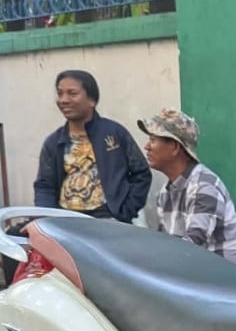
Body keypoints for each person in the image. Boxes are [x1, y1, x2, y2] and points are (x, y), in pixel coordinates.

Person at [33, 70, 150, 223]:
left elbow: (141, 173)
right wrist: (48, 220)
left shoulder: (114, 134)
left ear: (92, 100)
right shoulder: (54, 142)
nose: (64, 100)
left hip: (109, 220)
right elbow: (44, 186)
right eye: (60, 93)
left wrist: (126, 211)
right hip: (67, 222)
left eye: (72, 93)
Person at [140, 108, 236, 265]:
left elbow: (191, 249)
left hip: (216, 278)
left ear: (174, 147)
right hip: (189, 275)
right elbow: (164, 246)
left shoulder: (204, 187)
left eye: (153, 140)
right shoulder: (165, 193)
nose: (146, 146)